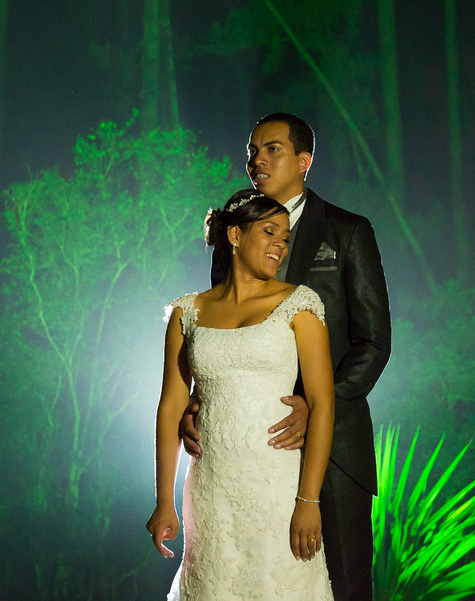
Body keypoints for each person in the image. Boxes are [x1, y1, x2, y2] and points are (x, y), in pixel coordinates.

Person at [185, 113, 391, 601]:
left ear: (305, 160)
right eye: (252, 150)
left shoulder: (347, 232)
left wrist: (318, 405)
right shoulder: (233, 235)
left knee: (341, 586)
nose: (258, 159)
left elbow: (373, 342)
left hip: (335, 446)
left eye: (272, 149)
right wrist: (198, 401)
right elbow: (219, 331)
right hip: (247, 454)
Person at [147, 188, 337, 600]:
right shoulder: (187, 312)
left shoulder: (299, 305)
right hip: (211, 488)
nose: (280, 246)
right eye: (269, 232)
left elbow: (323, 404)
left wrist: (309, 500)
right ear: (235, 236)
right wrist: (164, 499)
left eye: (285, 237)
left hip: (279, 489)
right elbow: (170, 408)